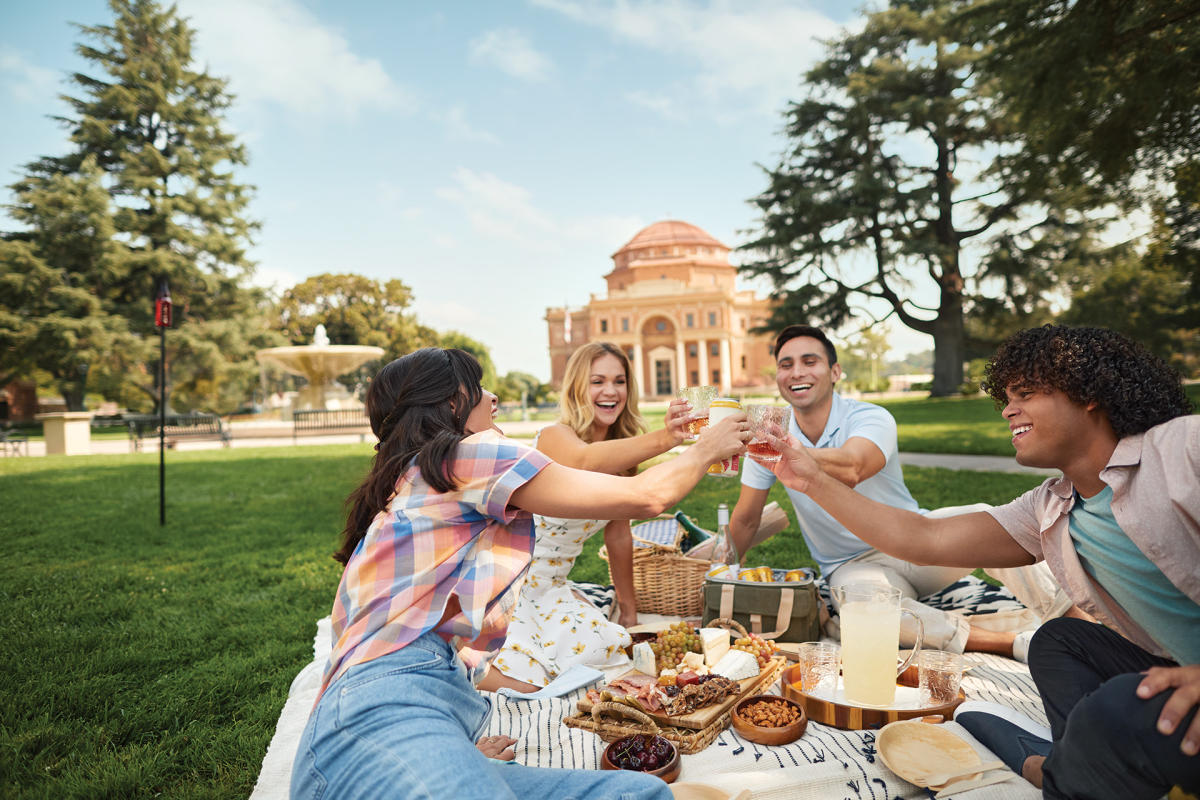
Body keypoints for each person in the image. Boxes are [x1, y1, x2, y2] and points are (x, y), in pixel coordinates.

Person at [751, 325, 1199, 799]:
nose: (1008, 410)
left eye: (1025, 393)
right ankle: (1077, 760)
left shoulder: (1181, 451)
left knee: (1111, 709)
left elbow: (872, 478)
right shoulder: (1050, 508)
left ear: (1087, 393)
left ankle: (1060, 773)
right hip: (1172, 666)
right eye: (1006, 397)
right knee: (1056, 643)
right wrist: (808, 481)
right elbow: (924, 536)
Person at [290, 347, 749, 800]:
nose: (493, 398)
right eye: (479, 387)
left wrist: (459, 750)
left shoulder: (410, 477)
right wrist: (706, 445)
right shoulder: (465, 454)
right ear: (452, 404)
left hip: (426, 706)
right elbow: (649, 496)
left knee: (641, 792)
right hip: (382, 706)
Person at [729, 324, 1047, 657]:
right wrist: (717, 576)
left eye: (810, 361)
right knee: (864, 610)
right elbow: (747, 520)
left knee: (993, 521)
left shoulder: (869, 417)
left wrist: (788, 451)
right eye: (786, 365)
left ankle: (1079, 621)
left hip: (917, 542)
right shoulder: (768, 439)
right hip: (851, 566)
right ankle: (1013, 643)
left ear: (835, 371)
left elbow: (853, 467)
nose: (797, 372)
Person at [488, 343, 691, 690]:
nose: (611, 391)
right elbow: (586, 461)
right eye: (597, 381)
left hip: (552, 586)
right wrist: (668, 437)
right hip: (506, 583)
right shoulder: (554, 437)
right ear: (577, 387)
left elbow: (618, 534)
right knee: (529, 679)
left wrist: (629, 611)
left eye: (620, 381)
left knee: (610, 652)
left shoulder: (625, 455)